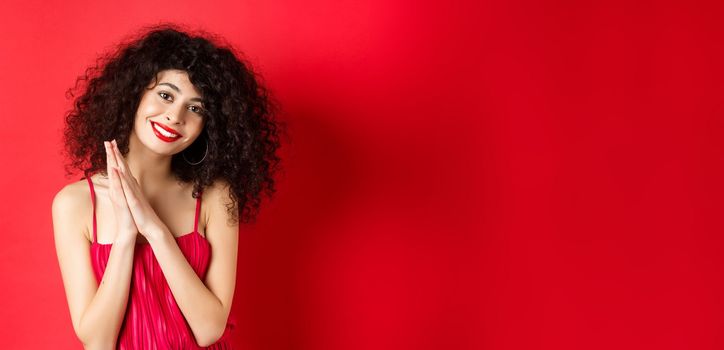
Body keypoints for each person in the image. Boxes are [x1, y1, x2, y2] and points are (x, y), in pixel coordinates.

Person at [52, 23, 285, 349]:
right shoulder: (74, 205)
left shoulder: (215, 197)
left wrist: (155, 230)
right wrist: (126, 235)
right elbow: (98, 341)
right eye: (165, 95)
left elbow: (209, 330)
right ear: (134, 94)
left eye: (195, 108)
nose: (175, 116)